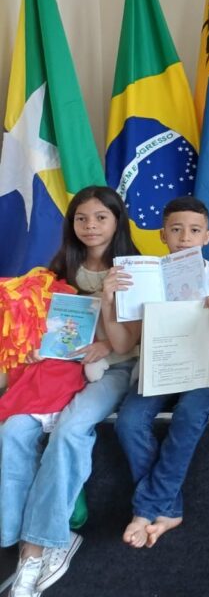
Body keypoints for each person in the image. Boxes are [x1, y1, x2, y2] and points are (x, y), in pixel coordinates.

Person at [0, 186, 139, 596]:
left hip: (113, 369)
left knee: (71, 430)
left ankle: (40, 547)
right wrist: (36, 343)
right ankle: (17, 540)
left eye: (100, 217)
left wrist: (107, 311)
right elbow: (42, 330)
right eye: (82, 218)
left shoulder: (131, 271)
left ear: (117, 221)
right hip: (57, 370)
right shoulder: (58, 270)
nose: (90, 225)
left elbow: (125, 344)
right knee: (12, 431)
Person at [112, 196, 209, 550]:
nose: (185, 237)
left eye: (195, 230)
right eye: (176, 229)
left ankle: (146, 510)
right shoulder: (146, 275)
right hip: (161, 366)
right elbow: (131, 334)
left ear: (207, 236)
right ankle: (168, 508)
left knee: (188, 415)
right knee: (129, 423)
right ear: (162, 234)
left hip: (206, 369)